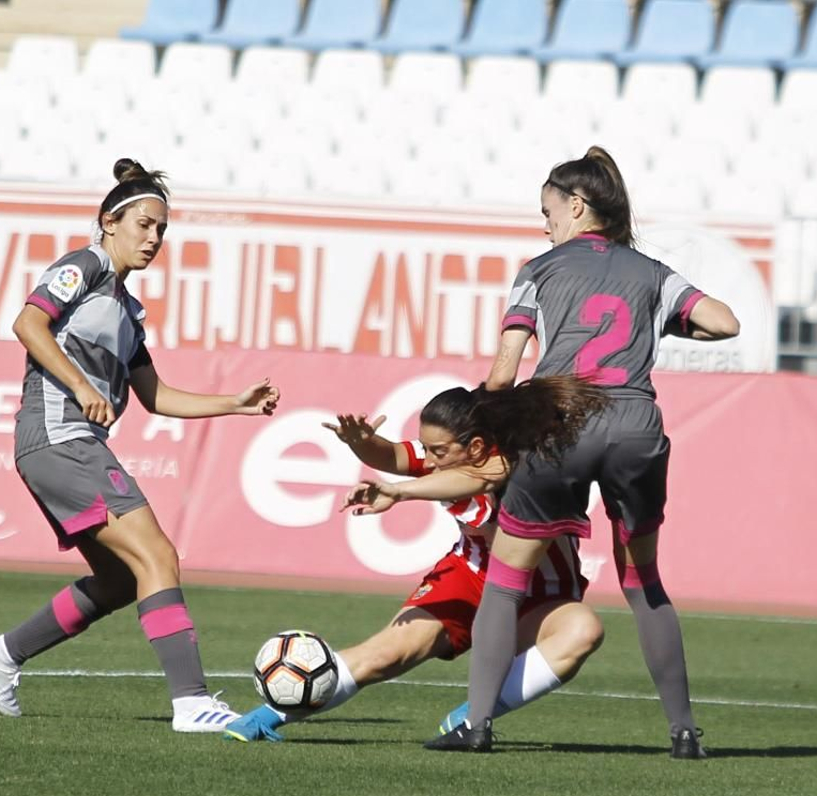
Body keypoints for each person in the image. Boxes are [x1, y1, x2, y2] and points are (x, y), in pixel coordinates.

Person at [426, 146, 740, 756]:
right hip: (634, 424)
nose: (543, 224)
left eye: (547, 211)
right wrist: (669, 322)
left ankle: (479, 725)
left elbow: (501, 375)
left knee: (506, 583)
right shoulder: (653, 273)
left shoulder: (539, 269)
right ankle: (683, 733)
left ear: (576, 205)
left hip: (559, 421)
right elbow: (725, 324)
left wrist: (492, 425)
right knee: (642, 580)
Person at [0, 159, 280, 731]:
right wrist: (82, 385)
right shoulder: (84, 264)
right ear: (109, 223)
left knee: (118, 579)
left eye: (161, 229)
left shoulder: (129, 313)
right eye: (144, 224)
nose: (154, 238)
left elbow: (156, 395)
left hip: (62, 444)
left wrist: (234, 403)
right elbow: (28, 324)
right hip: (61, 436)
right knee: (158, 557)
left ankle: (3, 654)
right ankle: (191, 703)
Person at [222, 378, 610, 743]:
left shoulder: (521, 468)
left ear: (475, 447)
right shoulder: (447, 461)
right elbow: (392, 455)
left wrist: (399, 491)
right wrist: (361, 443)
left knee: (583, 629)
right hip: (470, 579)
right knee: (385, 655)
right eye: (427, 449)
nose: (429, 459)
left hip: (541, 597)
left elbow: (479, 488)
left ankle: (475, 714)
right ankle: (271, 713)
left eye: (438, 451)